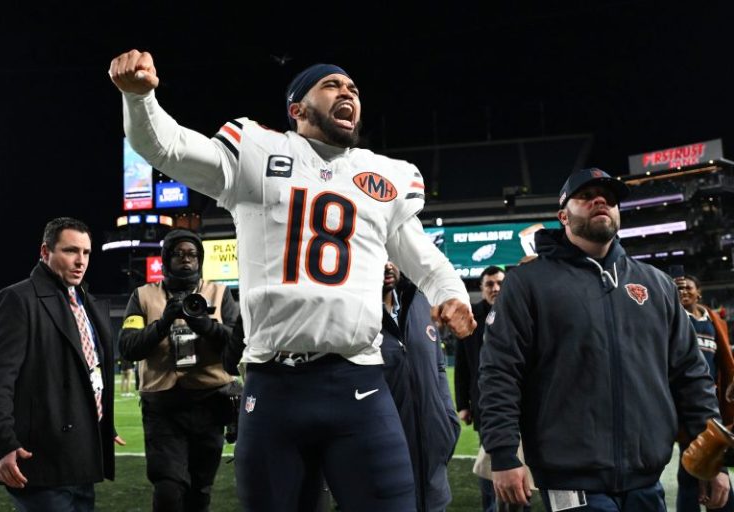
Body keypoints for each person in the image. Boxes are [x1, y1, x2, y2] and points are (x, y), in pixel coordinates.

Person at [110, 51, 476, 511]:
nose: (348, 92)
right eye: (332, 85)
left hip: (359, 382)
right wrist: (139, 98)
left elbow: (425, 260)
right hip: (273, 384)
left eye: (353, 88)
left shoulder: (383, 175)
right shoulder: (257, 150)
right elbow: (169, 148)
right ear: (297, 108)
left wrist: (451, 294)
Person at [478, 168, 726, 511]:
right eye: (586, 196)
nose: (600, 201)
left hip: (646, 477)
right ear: (563, 216)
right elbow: (500, 372)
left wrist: (711, 459)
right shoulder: (528, 283)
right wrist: (504, 453)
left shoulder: (657, 285)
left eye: (609, 198)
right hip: (569, 479)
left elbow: (691, 375)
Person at [0, 217, 121, 511]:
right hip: (39, 457)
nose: (80, 261)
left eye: (86, 252)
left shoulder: (86, 302)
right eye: (70, 251)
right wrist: (2, 443)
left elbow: (89, 369)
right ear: (45, 252)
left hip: (82, 454)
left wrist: (103, 423)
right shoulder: (17, 299)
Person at [119, 228, 240, 512]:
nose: (186, 259)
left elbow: (238, 343)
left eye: (192, 254)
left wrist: (205, 325)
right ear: (165, 259)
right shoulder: (143, 295)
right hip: (163, 408)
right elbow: (128, 347)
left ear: (200, 260)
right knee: (168, 489)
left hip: (210, 403)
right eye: (178, 254)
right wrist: (163, 323)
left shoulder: (220, 292)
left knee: (200, 491)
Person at [379, 261, 461, 511]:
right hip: (382, 474)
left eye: (392, 254)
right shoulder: (353, 314)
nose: (387, 264)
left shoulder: (420, 301)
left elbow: (438, 366)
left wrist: (448, 421)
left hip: (433, 475)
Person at [674, 274, 734, 512]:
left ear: (699, 292)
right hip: (686, 403)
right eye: (679, 289)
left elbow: (724, 361)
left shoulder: (713, 320)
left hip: (713, 401)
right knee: (693, 463)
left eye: (688, 288)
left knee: (705, 463)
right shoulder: (675, 319)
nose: (683, 292)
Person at [454, 265, 505, 511]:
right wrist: (463, 404)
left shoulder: (519, 311)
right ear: (481, 288)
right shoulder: (470, 316)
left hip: (521, 402)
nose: (495, 288)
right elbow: (462, 364)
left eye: (500, 283)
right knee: (489, 459)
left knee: (521, 460)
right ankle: (490, 507)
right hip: (485, 403)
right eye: (490, 284)